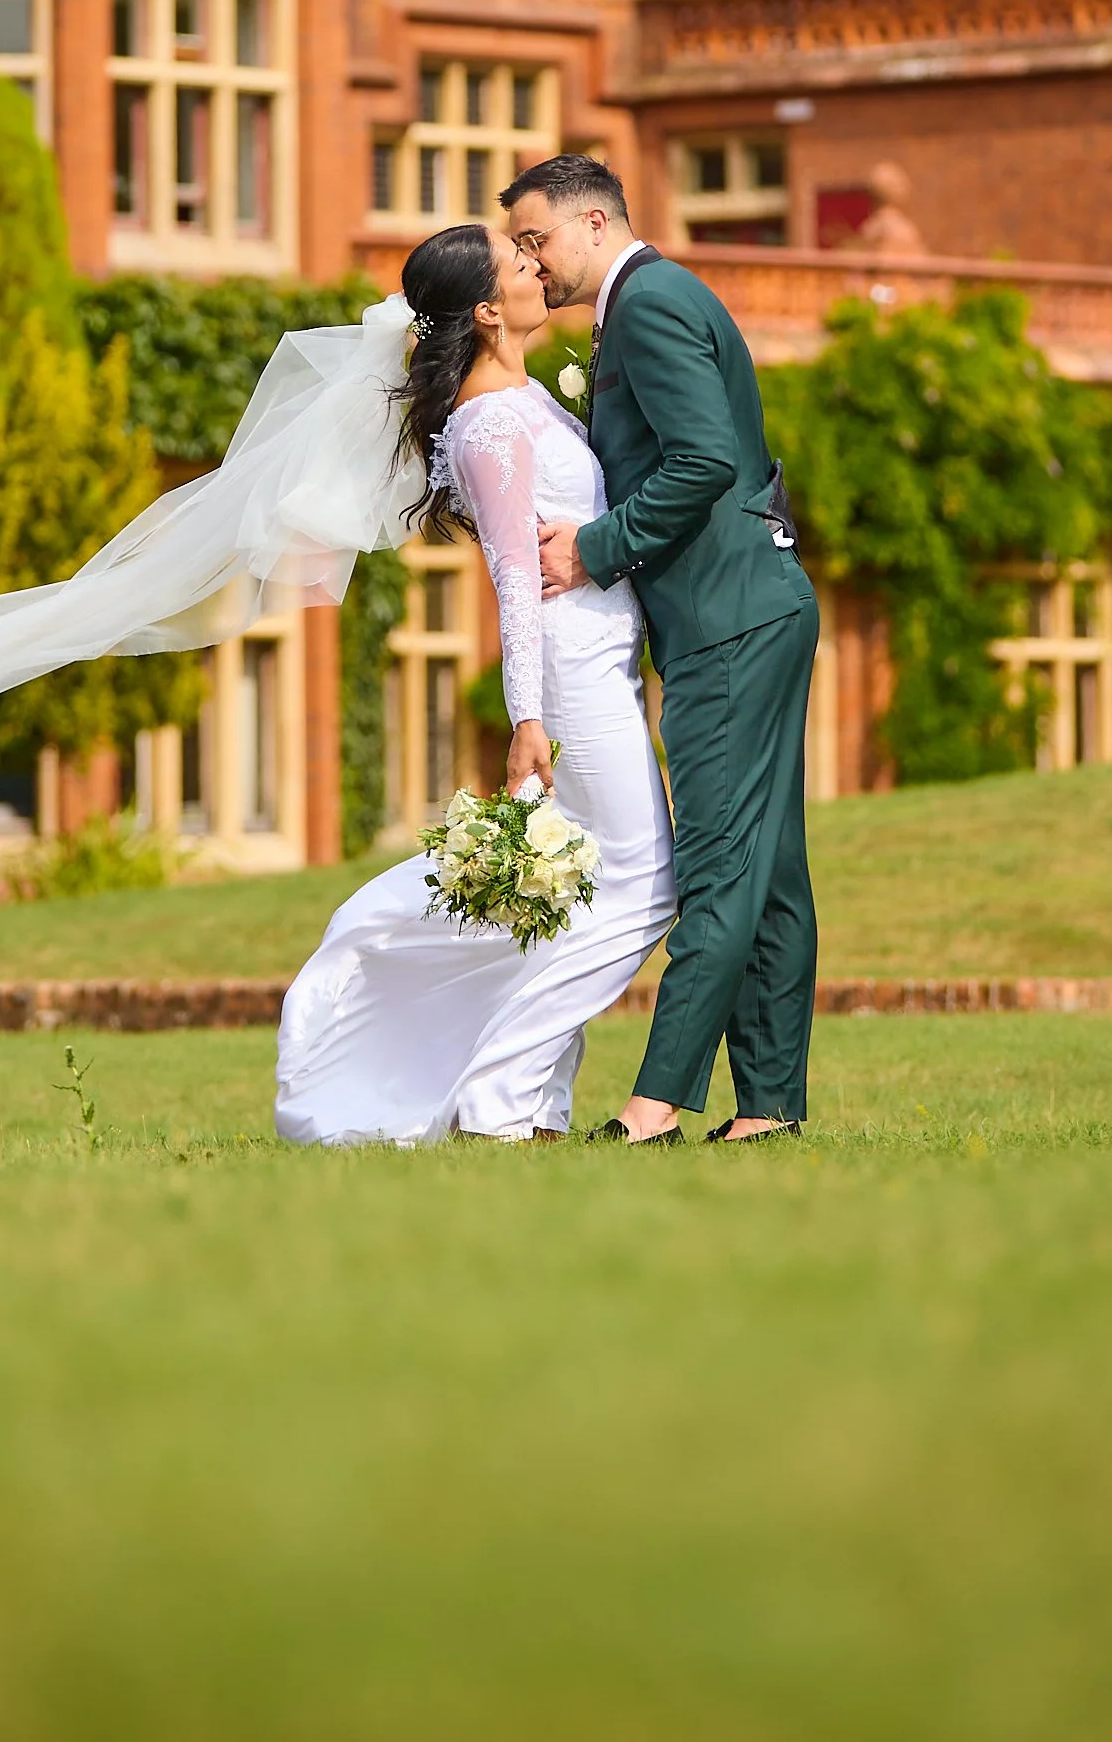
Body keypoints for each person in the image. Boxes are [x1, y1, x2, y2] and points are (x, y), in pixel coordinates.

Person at [274, 223, 676, 1145]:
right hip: (569, 672)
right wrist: (526, 718)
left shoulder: (524, 398)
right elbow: (510, 577)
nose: (539, 265)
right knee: (648, 884)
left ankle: (538, 1108)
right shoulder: (491, 422)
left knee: (576, 895)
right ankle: (499, 1096)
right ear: (490, 310)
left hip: (603, 659)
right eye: (519, 261)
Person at [502, 155, 819, 1145]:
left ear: (592, 224)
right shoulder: (643, 303)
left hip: (727, 620)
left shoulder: (647, 304)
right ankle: (765, 1110)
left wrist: (592, 551)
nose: (529, 262)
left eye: (534, 239)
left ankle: (652, 1109)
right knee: (765, 872)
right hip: (740, 610)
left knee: (721, 867)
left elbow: (704, 462)